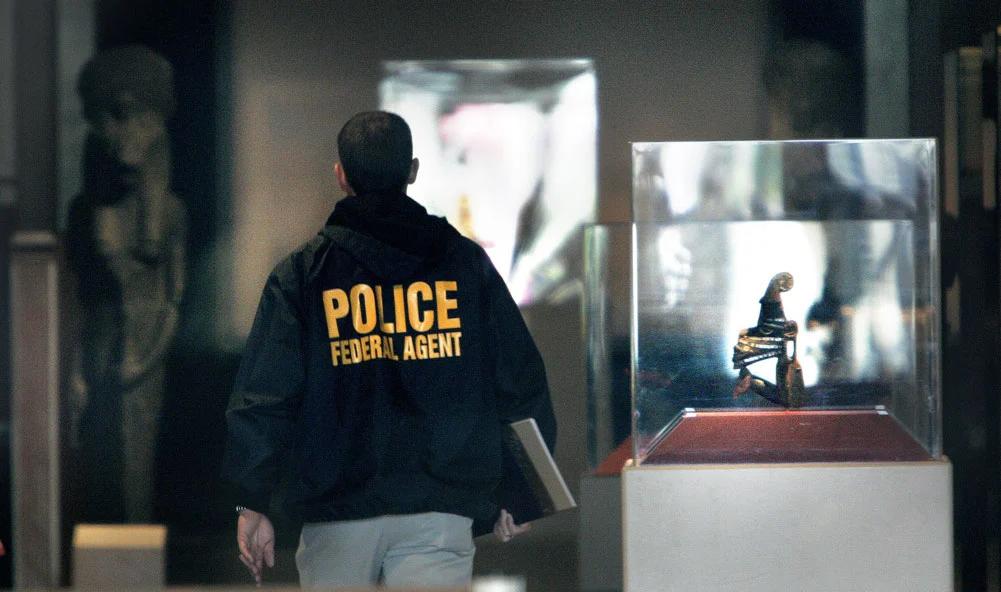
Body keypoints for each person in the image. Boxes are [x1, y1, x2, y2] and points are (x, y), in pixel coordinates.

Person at [222, 111, 556, 588]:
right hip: (440, 506)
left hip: (337, 511)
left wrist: (252, 501)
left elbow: (266, 397)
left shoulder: (302, 275)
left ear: (340, 174)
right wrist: (523, 491)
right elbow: (519, 378)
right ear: (413, 171)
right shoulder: (463, 263)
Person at [66, 45, 186, 523]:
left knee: (133, 468)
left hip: (143, 351)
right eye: (110, 119)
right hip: (98, 348)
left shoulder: (170, 212)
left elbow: (174, 301)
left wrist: (144, 357)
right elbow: (79, 297)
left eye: (132, 118)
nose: (118, 133)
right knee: (99, 471)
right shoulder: (84, 211)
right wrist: (74, 367)